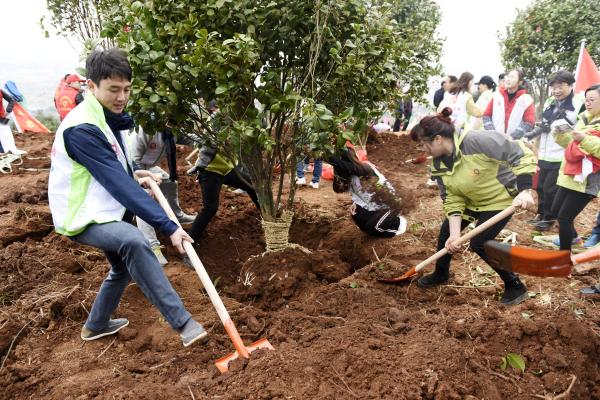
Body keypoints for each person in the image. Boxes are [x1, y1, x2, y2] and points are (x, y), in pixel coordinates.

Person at [47, 48, 208, 347]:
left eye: (127, 90)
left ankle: (96, 325)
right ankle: (184, 323)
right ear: (91, 86)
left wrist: (135, 173)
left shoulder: (107, 116)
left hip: (101, 205)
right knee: (134, 241)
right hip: (81, 213)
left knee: (121, 267)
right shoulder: (82, 128)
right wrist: (169, 227)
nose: (122, 97)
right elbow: (116, 183)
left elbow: (112, 167)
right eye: (113, 90)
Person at [410, 108, 536, 305]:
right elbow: (451, 197)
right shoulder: (438, 164)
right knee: (445, 235)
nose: (422, 150)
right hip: (471, 201)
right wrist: (454, 234)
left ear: (437, 139)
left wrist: (525, 189)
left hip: (499, 200)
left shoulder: (478, 141)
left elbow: (519, 153)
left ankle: (514, 285)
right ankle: (441, 273)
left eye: (423, 144)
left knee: (480, 242)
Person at [187, 101, 260, 243]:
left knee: (251, 185)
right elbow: (208, 142)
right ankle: (190, 244)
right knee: (210, 208)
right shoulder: (217, 119)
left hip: (227, 168)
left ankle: (267, 216)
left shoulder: (240, 120)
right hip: (211, 170)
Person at [526, 70, 584, 232]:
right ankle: (542, 213)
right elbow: (545, 123)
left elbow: (581, 129)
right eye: (554, 87)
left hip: (561, 154)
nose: (557, 90)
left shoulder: (579, 104)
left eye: (561, 86)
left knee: (551, 188)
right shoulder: (550, 101)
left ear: (571, 85)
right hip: (545, 151)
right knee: (541, 186)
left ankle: (550, 218)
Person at [131, 128, 198, 265]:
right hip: (133, 167)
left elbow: (190, 138)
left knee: (169, 182)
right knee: (143, 202)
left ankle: (177, 215)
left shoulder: (171, 132)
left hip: (149, 166)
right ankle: (152, 246)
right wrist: (145, 182)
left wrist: (209, 141)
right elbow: (133, 160)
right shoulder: (145, 131)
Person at [550, 84, 600, 256]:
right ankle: (574, 239)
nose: (588, 103)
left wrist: (584, 138)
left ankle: (564, 258)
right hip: (569, 174)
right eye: (586, 100)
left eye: (592, 100)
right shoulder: (584, 119)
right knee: (556, 211)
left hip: (586, 180)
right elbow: (572, 145)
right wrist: (558, 134)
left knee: (564, 218)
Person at [329, 145, 407, 237]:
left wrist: (328, 157)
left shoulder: (365, 169)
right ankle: (376, 229)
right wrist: (356, 202)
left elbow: (348, 167)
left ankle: (399, 223)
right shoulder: (348, 177)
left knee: (373, 227)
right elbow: (337, 189)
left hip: (390, 206)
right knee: (357, 217)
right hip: (374, 207)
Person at [482, 69, 535, 139]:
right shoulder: (497, 96)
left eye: (512, 77)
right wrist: (493, 133)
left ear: (520, 82)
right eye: (507, 76)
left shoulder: (526, 100)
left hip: (514, 144)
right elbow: (486, 116)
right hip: (494, 141)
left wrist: (512, 137)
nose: (508, 79)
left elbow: (529, 123)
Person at [0, 86, 26, 155]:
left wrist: (7, 111)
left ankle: (6, 152)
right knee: (5, 136)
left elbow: (11, 100)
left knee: (7, 136)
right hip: (2, 118)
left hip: (1, 119)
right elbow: (12, 100)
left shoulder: (1, 91)